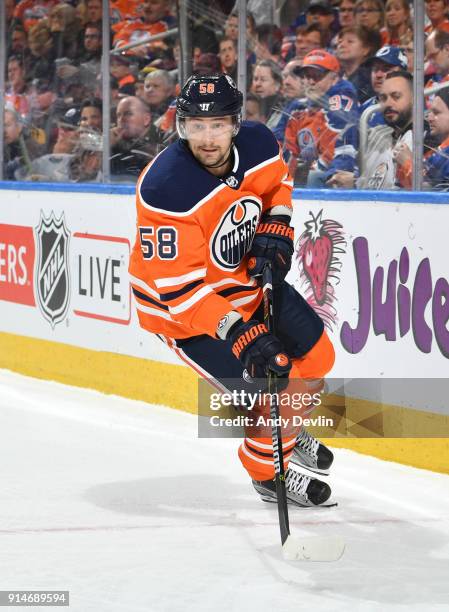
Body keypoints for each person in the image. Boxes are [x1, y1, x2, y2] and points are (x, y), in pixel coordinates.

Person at [128, 74, 336, 507]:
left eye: (218, 124)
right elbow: (180, 290)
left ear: (237, 123)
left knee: (318, 359)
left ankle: (287, 431)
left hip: (248, 284)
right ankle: (266, 471)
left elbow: (279, 184)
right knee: (272, 386)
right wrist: (238, 333)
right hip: (185, 312)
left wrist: (278, 221)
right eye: (197, 126)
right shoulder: (166, 188)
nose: (208, 138)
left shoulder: (260, 143)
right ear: (181, 125)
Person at [284, 49, 359, 188]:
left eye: (317, 76)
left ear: (334, 78)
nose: (310, 81)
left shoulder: (342, 98)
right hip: (306, 178)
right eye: (306, 76)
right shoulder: (297, 107)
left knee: (314, 178)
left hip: (335, 178)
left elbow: (340, 146)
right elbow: (283, 146)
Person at [356, 71, 413, 189]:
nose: (388, 103)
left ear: (415, 98)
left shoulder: (425, 139)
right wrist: (353, 182)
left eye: (396, 96)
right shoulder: (378, 136)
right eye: (383, 98)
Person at [424, 89, 449, 189]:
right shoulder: (442, 150)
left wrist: (407, 163)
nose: (429, 118)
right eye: (430, 112)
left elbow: (430, 191)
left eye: (436, 112)